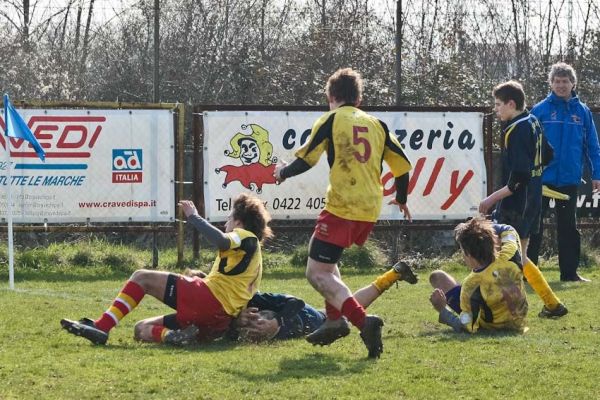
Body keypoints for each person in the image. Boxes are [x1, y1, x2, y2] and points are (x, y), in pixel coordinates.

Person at [274, 68, 412, 358]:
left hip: (342, 205)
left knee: (316, 274)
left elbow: (307, 159)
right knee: (326, 262)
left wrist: (282, 173)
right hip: (369, 206)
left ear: (331, 97)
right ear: (359, 99)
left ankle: (363, 322)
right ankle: (334, 321)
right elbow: (402, 165)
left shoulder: (332, 119)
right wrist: (400, 198)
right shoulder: (377, 124)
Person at [60, 194, 272, 345]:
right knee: (140, 329)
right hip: (217, 321)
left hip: (207, 301)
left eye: (228, 218)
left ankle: (102, 326)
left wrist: (194, 216)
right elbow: (232, 290)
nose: (226, 222)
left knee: (141, 277)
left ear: (239, 221)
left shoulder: (244, 236)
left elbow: (221, 240)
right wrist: (205, 278)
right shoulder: (255, 258)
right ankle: (172, 337)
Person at [479, 80, 568, 318]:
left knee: (504, 253)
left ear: (511, 103)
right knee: (522, 255)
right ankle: (552, 305)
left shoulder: (517, 130)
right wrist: (535, 174)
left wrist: (491, 199)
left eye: (498, 105)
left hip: (518, 202)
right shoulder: (532, 121)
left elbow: (518, 177)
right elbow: (548, 154)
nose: (495, 109)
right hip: (533, 198)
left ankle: (506, 309)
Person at [527, 62, 600, 282]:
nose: (561, 85)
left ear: (573, 83)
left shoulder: (583, 111)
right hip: (541, 179)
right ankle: (529, 274)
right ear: (550, 83)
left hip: (568, 179)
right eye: (557, 81)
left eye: (565, 81)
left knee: (568, 227)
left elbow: (593, 146)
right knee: (534, 228)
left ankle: (569, 274)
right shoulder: (539, 110)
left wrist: (596, 174)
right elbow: (528, 145)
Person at [232, 261, 418, 342]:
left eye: (258, 318)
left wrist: (277, 322)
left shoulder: (254, 299)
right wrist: (235, 323)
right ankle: (394, 274)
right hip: (314, 316)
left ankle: (392, 274)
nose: (257, 321)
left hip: (312, 319)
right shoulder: (231, 309)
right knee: (347, 303)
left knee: (343, 306)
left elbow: (296, 303)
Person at [429, 217, 528, 333]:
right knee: (437, 277)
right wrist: (484, 231)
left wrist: (442, 310)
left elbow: (467, 327)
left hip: (490, 327)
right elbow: (509, 230)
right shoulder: (509, 255)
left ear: (468, 254)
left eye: (462, 251)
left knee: (436, 277)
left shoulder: (471, 284)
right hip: (519, 323)